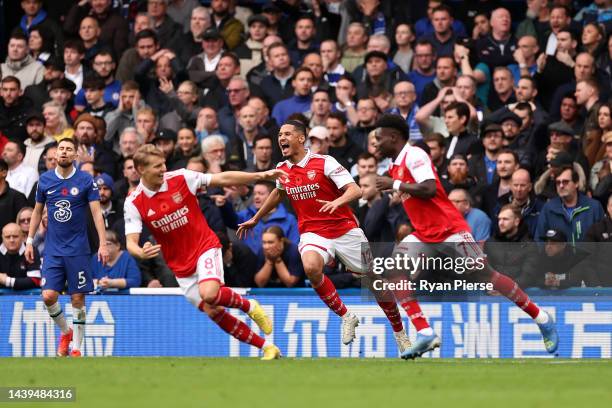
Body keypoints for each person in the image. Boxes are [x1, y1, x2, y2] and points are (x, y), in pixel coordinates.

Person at [373, 114, 558, 359]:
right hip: (425, 234)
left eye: (379, 138)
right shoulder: (395, 165)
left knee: (487, 276)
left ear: (394, 137)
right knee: (394, 270)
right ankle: (425, 331)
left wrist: (395, 185)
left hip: (450, 230)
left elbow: (429, 189)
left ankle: (542, 318)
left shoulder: (415, 155)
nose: (376, 143)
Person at [237, 120, 413, 355]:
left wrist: (337, 202)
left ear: (301, 138)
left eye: (287, 134)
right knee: (311, 267)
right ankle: (346, 315)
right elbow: (278, 193)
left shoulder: (324, 162)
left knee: (374, 281)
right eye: (280, 134)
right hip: (312, 232)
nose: (282, 138)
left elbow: (355, 190)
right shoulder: (283, 168)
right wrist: (256, 218)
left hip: (344, 229)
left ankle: (400, 333)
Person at [124, 144, 283, 360]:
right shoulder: (134, 201)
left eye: (163, 163)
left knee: (210, 294)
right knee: (213, 311)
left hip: (204, 246)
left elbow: (222, 179)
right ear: (141, 169)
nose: (163, 169)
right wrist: (140, 253)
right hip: (180, 265)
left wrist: (259, 175)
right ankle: (268, 348)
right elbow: (130, 242)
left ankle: (250, 306)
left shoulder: (180, 178)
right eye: (157, 166)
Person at [25, 137, 109, 357]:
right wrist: (29, 240)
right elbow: (36, 212)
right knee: (48, 296)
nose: (63, 152)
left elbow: (96, 214)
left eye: (68, 149)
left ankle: (77, 349)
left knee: (77, 299)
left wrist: (102, 243)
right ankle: (66, 331)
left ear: (74, 156)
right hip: (52, 250)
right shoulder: (44, 180)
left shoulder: (85, 180)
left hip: (78, 249)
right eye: (60, 149)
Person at [0, 222, 41, 291]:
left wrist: (7, 281)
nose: (11, 240)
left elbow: (35, 280)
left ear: (23, 237)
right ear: (2, 238)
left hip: (29, 298)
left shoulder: (31, 250)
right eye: (7, 237)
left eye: (15, 236)